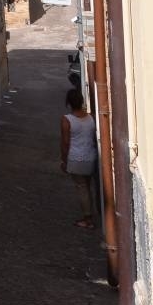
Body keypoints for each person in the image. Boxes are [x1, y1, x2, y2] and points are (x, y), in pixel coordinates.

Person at [60, 88, 98, 228]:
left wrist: (64, 160)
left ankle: (88, 219)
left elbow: (65, 143)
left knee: (82, 188)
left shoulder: (67, 120)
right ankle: (91, 213)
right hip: (91, 157)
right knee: (87, 187)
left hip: (75, 159)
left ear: (68, 103)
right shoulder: (91, 118)